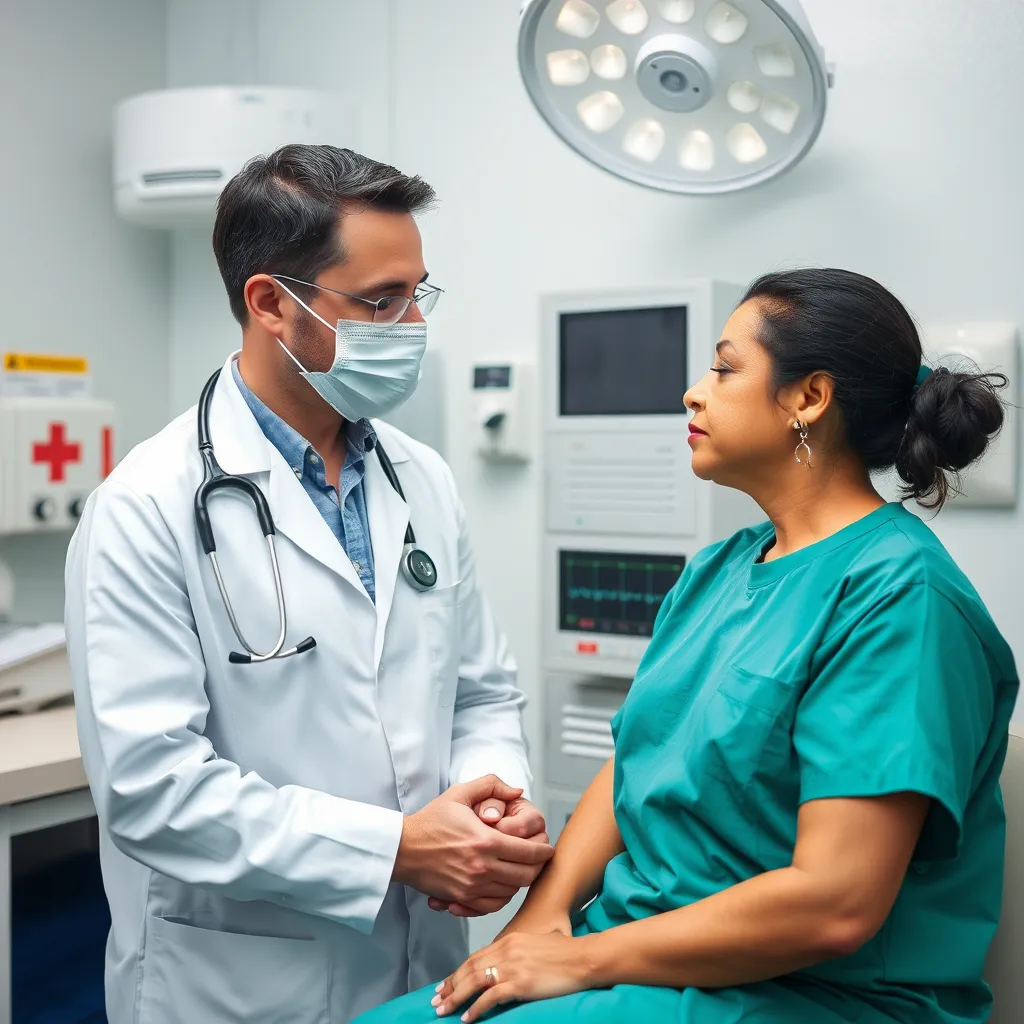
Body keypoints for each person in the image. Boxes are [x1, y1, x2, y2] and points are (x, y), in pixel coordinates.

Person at [357, 268, 1018, 1024]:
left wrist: (576, 960)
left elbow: (835, 904)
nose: (693, 393)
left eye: (725, 370)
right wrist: (538, 923)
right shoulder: (720, 569)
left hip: (809, 993)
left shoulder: (901, 597)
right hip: (637, 954)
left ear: (809, 398)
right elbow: (634, 763)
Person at [63, 144, 553, 1024]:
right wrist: (396, 849)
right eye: (380, 301)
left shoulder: (421, 478)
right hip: (239, 984)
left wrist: (493, 808)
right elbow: (151, 789)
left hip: (425, 965)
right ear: (270, 304)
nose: (412, 325)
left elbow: (480, 693)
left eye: (418, 294)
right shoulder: (145, 504)